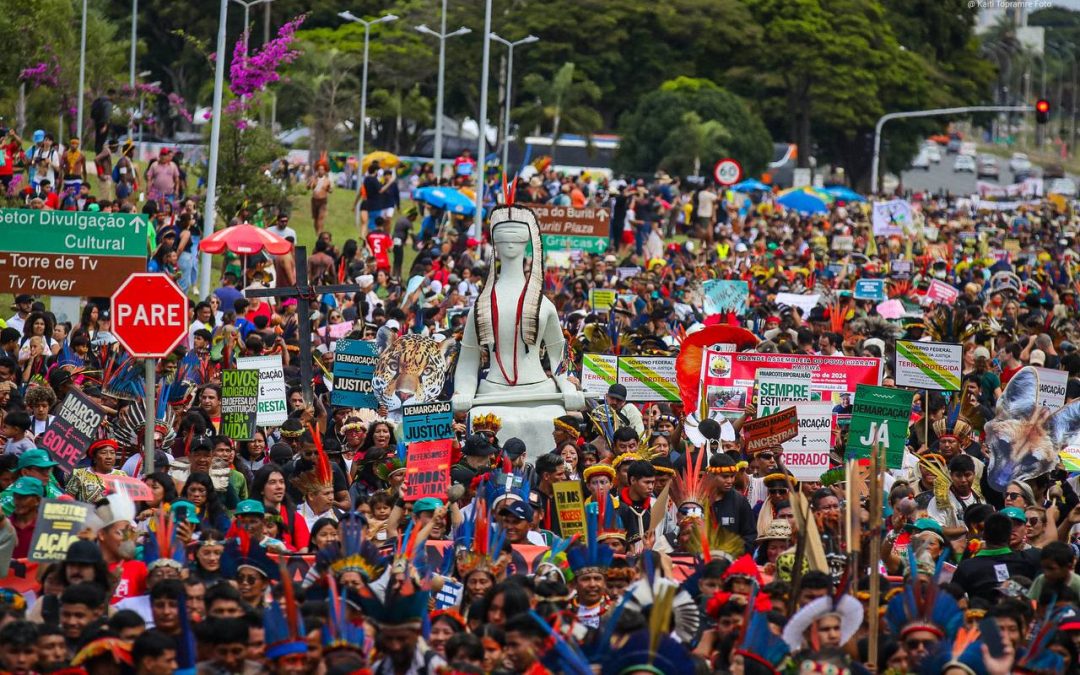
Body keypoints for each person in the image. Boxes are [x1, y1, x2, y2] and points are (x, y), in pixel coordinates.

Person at [307, 159, 333, 235]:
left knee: (320, 218)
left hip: (323, 201)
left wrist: (329, 189)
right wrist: (310, 182)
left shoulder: (327, 180)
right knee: (315, 218)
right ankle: (317, 233)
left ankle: (320, 233)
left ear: (325, 171)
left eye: (322, 169)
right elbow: (308, 187)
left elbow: (330, 190)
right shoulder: (314, 178)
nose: (320, 171)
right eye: (319, 169)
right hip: (314, 200)